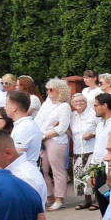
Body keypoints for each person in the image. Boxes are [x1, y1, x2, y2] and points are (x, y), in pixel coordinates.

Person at [36, 79, 73, 211]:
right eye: (47, 89)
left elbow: (61, 128)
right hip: (41, 139)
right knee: (42, 169)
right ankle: (49, 195)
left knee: (57, 170)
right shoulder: (46, 103)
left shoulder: (64, 106)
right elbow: (37, 120)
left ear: (59, 90)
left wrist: (44, 135)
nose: (48, 92)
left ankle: (59, 198)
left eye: (51, 89)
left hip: (55, 140)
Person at [90, 93, 111, 216]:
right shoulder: (100, 124)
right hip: (99, 169)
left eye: (95, 105)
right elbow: (98, 148)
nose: (94, 108)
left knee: (110, 201)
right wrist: (92, 172)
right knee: (102, 199)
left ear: (104, 106)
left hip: (109, 169)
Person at [69, 93, 98, 210]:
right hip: (78, 149)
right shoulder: (72, 116)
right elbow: (67, 128)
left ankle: (97, 200)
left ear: (86, 102)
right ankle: (86, 200)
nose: (79, 103)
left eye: (81, 101)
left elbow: (101, 128)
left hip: (91, 148)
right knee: (80, 176)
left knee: (93, 175)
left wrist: (92, 134)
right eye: (76, 102)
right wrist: (72, 137)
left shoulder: (93, 114)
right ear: (72, 104)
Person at [6, 90, 42, 164]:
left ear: (14, 107)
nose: (4, 108)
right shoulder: (21, 125)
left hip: (24, 173)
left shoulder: (25, 127)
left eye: (6, 105)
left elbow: (16, 156)